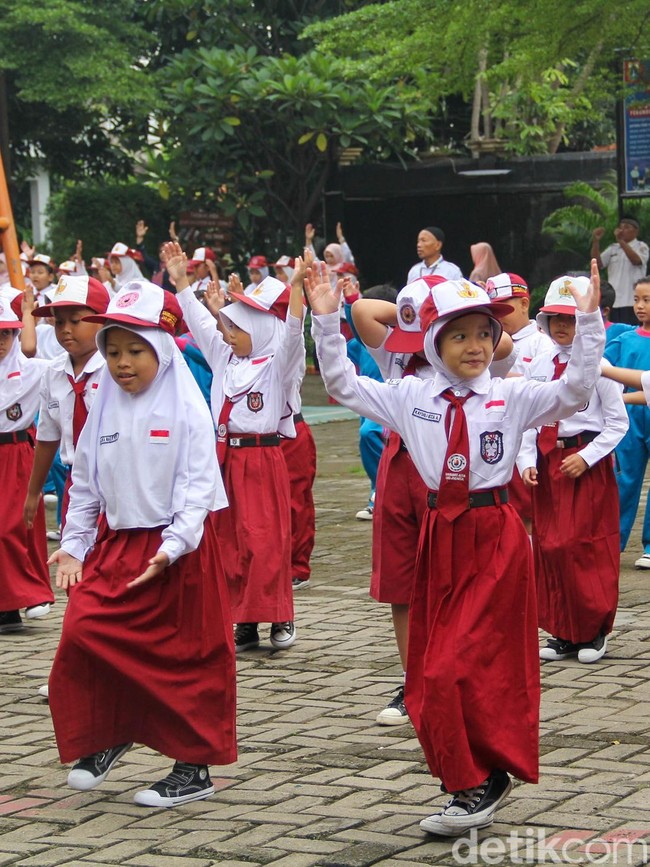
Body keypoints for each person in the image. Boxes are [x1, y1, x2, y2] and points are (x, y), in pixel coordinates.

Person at [307, 262, 604, 836]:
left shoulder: (512, 395)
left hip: (495, 539)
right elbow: (343, 387)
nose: (475, 346)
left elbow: (576, 390)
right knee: (428, 676)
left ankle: (481, 780)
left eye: (484, 334)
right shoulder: (411, 394)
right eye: (460, 335)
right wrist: (325, 321)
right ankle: (469, 778)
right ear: (434, 342)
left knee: (458, 668)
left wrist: (589, 323)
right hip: (440, 539)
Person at [47, 280, 236, 807]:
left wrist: (173, 546)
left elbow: (198, 485)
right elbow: (84, 483)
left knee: (188, 657)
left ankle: (193, 768)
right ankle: (109, 733)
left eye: (135, 351)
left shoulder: (186, 407)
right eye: (112, 351)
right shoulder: (103, 405)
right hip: (118, 543)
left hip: (181, 547)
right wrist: (75, 544)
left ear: (162, 353)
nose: (122, 363)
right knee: (84, 628)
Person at [163, 242, 305, 653]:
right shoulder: (228, 360)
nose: (227, 336)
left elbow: (294, 337)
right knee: (230, 542)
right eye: (227, 329)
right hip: (222, 459)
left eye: (236, 330)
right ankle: (242, 618)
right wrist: (181, 283)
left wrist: (296, 291)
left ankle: (279, 612)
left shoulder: (277, 363)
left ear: (258, 331)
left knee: (264, 540)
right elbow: (202, 327)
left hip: (261, 458)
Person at [517, 275, 628, 664]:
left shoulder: (600, 366)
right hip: (549, 464)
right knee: (548, 546)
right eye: (555, 319)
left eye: (572, 319)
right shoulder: (540, 362)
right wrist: (527, 461)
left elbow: (617, 423)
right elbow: (528, 416)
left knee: (584, 546)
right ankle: (563, 630)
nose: (563, 327)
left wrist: (589, 456)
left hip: (584, 464)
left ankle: (594, 630)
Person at [0, 291, 53, 634]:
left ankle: (26, 594)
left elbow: (76, 368)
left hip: (16, 455)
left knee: (13, 527)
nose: (0, 341)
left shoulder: (33, 371)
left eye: (6, 333)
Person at [484, 272, 553, 535]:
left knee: (527, 515)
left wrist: (510, 380)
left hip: (526, 440)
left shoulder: (540, 342)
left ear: (525, 304)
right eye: (494, 310)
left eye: (505, 308)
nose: (499, 317)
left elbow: (546, 390)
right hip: (492, 437)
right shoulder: (486, 340)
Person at [604, 276, 650, 568]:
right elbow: (601, 368)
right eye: (636, 299)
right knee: (624, 478)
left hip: (634, 406)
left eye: (647, 300)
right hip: (629, 419)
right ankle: (611, 541)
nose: (640, 306)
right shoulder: (624, 339)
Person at [591, 218, 649, 325]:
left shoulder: (641, 246)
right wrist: (596, 241)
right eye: (621, 227)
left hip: (631, 301)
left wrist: (621, 241)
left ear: (636, 231)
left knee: (632, 330)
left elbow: (636, 260)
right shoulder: (613, 248)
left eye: (626, 227)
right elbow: (598, 263)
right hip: (615, 301)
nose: (622, 230)